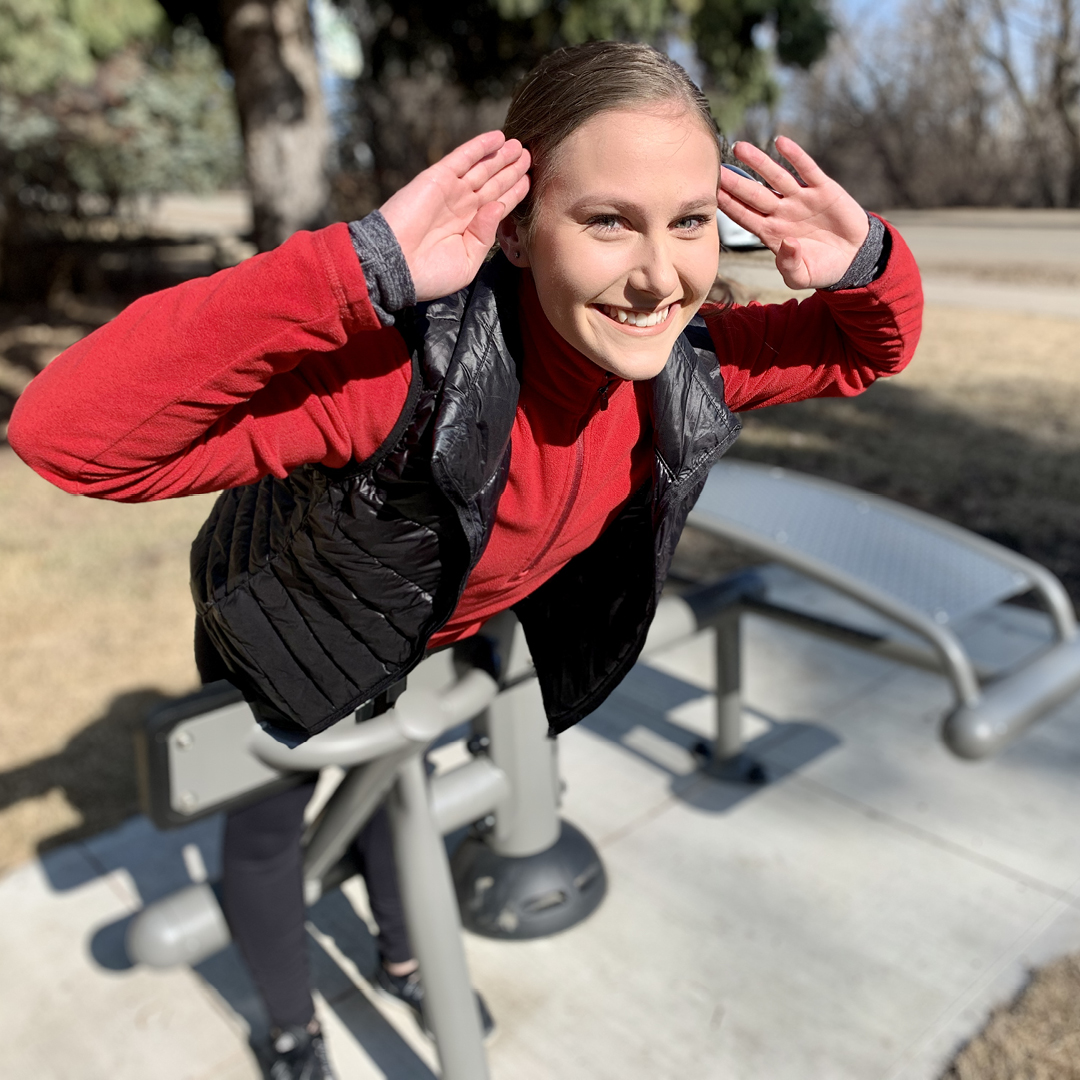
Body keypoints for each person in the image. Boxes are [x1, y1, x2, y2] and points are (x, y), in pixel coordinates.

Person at [9, 40, 922, 1080]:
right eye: (608, 220)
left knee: (401, 789)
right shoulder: (405, 374)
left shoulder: (684, 371)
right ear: (523, 230)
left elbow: (866, 345)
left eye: (690, 221)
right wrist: (355, 269)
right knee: (268, 838)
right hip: (289, 637)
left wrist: (867, 263)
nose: (659, 275)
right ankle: (293, 1027)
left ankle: (402, 951)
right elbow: (67, 434)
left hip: (416, 638)